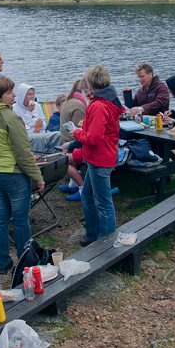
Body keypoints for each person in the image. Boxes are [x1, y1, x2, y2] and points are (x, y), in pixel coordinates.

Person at [0, 76, 44, 275]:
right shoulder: (11, 118)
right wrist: (38, 177)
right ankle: (25, 264)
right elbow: (23, 153)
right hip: (13, 175)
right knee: (21, 221)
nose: (14, 95)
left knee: (1, 220)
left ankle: (3, 264)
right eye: (9, 92)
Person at [71, 65, 122, 246]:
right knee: (87, 196)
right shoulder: (107, 100)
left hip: (100, 159)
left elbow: (94, 138)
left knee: (103, 203)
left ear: (91, 83)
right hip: (98, 157)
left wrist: (76, 133)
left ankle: (107, 246)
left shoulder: (99, 105)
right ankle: (93, 235)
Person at [13, 83, 63, 154]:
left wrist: (42, 124)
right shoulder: (15, 109)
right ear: (23, 95)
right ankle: (40, 157)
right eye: (29, 94)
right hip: (27, 137)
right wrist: (29, 112)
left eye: (33, 94)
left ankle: (54, 155)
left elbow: (45, 125)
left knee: (58, 135)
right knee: (38, 138)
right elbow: (21, 128)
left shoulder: (36, 106)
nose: (32, 96)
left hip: (41, 134)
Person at [58, 79, 87, 199]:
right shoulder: (79, 106)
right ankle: (81, 187)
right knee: (64, 159)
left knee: (64, 153)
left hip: (67, 140)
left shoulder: (69, 100)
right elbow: (82, 131)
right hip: (76, 143)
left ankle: (75, 184)